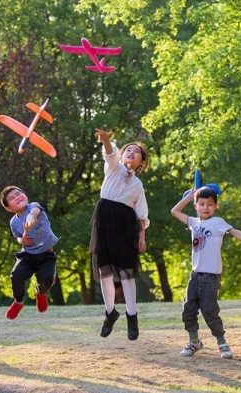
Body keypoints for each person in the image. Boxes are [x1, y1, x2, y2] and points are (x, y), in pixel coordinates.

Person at [171, 187, 241, 359]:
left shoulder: (218, 222)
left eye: (210, 204)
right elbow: (174, 211)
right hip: (195, 275)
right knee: (188, 310)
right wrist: (189, 197)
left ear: (216, 206)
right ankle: (194, 341)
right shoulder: (193, 222)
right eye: (201, 204)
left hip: (211, 277)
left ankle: (222, 343)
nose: (205, 207)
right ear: (195, 206)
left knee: (210, 310)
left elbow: (235, 232)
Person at [90, 129, 149, 341]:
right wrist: (106, 139)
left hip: (126, 224)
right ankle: (110, 313)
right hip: (104, 220)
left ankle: (132, 317)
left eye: (136, 152)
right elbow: (110, 152)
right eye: (128, 150)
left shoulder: (138, 185)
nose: (131, 153)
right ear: (122, 156)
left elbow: (141, 214)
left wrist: (141, 236)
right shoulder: (113, 169)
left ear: (141, 162)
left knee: (127, 273)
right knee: (104, 271)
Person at [0, 186, 59, 320]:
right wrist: (22, 240)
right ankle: (18, 302)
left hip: (46, 255)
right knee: (16, 275)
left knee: (47, 281)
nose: (17, 197)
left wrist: (31, 216)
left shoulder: (33, 206)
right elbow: (18, 237)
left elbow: (34, 212)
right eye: (12, 198)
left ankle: (40, 293)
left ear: (25, 195)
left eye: (18, 193)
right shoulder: (14, 222)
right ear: (9, 208)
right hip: (27, 255)